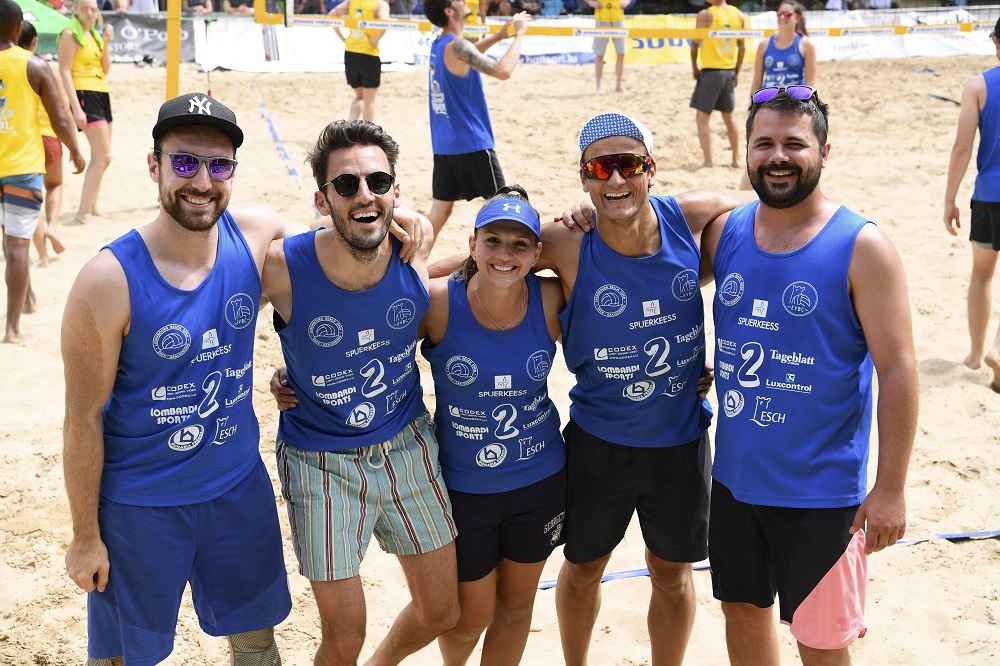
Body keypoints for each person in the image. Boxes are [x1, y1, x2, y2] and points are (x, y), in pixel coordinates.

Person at [272, 185, 568, 666]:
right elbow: (360, 336)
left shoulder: (552, 298)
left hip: (540, 479)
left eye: (520, 245)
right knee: (466, 617)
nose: (505, 254)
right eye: (493, 240)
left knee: (515, 609)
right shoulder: (436, 302)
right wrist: (292, 375)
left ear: (538, 253)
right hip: (463, 484)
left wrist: (690, 376)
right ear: (472, 244)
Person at [61, 92, 293, 664]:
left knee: (256, 639)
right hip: (140, 506)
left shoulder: (256, 233)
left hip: (237, 485)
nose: (202, 181)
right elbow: (83, 418)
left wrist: (401, 216)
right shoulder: (106, 281)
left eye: (218, 166)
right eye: (184, 162)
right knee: (121, 656)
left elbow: (339, 257)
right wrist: (86, 535)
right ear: (154, 165)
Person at [701, 86, 918, 665]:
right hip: (735, 479)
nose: (778, 156)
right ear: (745, 152)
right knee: (743, 617)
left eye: (794, 144)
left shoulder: (863, 245)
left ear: (824, 151)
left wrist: (891, 488)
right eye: (764, 143)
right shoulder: (727, 233)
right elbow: (649, 262)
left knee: (821, 642)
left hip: (822, 493)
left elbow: (898, 370)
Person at [533, 113, 751, 666]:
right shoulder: (565, 239)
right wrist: (406, 273)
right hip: (598, 441)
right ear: (583, 178)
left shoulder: (690, 217)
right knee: (582, 570)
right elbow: (485, 260)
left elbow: (761, 206)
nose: (613, 181)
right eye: (599, 169)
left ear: (650, 170)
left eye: (627, 165)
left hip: (679, 443)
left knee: (673, 576)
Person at [260, 119, 460, 665]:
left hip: (407, 445)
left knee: (444, 611)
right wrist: (275, 379)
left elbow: (476, 270)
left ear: (397, 189)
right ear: (322, 201)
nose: (364, 194)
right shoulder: (284, 266)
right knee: (343, 636)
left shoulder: (411, 250)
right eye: (346, 185)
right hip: (319, 459)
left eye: (378, 181)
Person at [1, 0, 85, 345]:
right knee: (18, 246)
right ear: (19, 28)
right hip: (22, 168)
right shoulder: (34, 66)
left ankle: (30, 297)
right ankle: (12, 328)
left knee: (10, 241)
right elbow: (60, 119)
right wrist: (77, 152)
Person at [423, 0, 530, 242]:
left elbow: (467, 55)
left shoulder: (439, 44)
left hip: (444, 144)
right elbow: (503, 71)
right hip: (471, 143)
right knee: (504, 208)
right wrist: (518, 36)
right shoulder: (457, 45)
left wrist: (499, 35)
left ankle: (411, 266)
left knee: (439, 212)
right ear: (449, 11)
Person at [944, 17, 1000, 394]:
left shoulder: (978, 85)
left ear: (995, 41)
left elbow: (963, 146)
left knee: (981, 274)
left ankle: (977, 354)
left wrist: (949, 198)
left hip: (987, 195)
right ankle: (998, 346)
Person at [738, 1, 815, 190]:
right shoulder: (765, 45)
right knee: (757, 156)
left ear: (797, 18)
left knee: (792, 157)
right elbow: (757, 81)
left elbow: (811, 84)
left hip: (793, 109)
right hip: (767, 108)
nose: (782, 17)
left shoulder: (805, 44)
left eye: (787, 14)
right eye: (780, 13)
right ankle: (741, 203)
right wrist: (752, 109)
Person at [18, 21, 74, 267]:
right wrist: (74, 145)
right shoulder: (44, 67)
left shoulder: (7, 67)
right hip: (49, 135)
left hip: (22, 139)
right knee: (55, 184)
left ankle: (42, 255)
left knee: (30, 197)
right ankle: (52, 226)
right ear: (35, 42)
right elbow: (63, 109)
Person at [57, 0, 113, 226]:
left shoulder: (95, 35)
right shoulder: (70, 34)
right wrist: (76, 108)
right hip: (84, 94)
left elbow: (105, 69)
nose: (90, 13)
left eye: (93, 8)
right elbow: (64, 72)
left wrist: (107, 41)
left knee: (103, 157)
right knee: (103, 155)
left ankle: (91, 206)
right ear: (76, 9)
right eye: (85, 9)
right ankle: (83, 212)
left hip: (101, 92)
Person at [691, 0, 745, 169]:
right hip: (728, 71)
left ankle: (709, 162)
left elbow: (694, 46)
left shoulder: (705, 15)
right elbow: (741, 48)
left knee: (702, 118)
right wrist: (736, 72)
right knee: (729, 117)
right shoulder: (738, 14)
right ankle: (736, 160)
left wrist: (694, 67)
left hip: (711, 72)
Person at [329, 0, 390, 122]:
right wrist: (375, 40)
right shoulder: (380, 4)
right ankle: (367, 136)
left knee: (359, 97)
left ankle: (349, 130)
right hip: (368, 54)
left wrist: (343, 39)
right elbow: (385, 23)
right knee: (369, 100)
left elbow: (331, 16)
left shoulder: (352, 2)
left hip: (350, 53)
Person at [584, 0, 629, 94]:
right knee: (600, 55)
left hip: (618, 18)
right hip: (601, 19)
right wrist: (591, 2)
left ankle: (619, 85)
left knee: (621, 54)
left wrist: (627, 1)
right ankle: (598, 86)